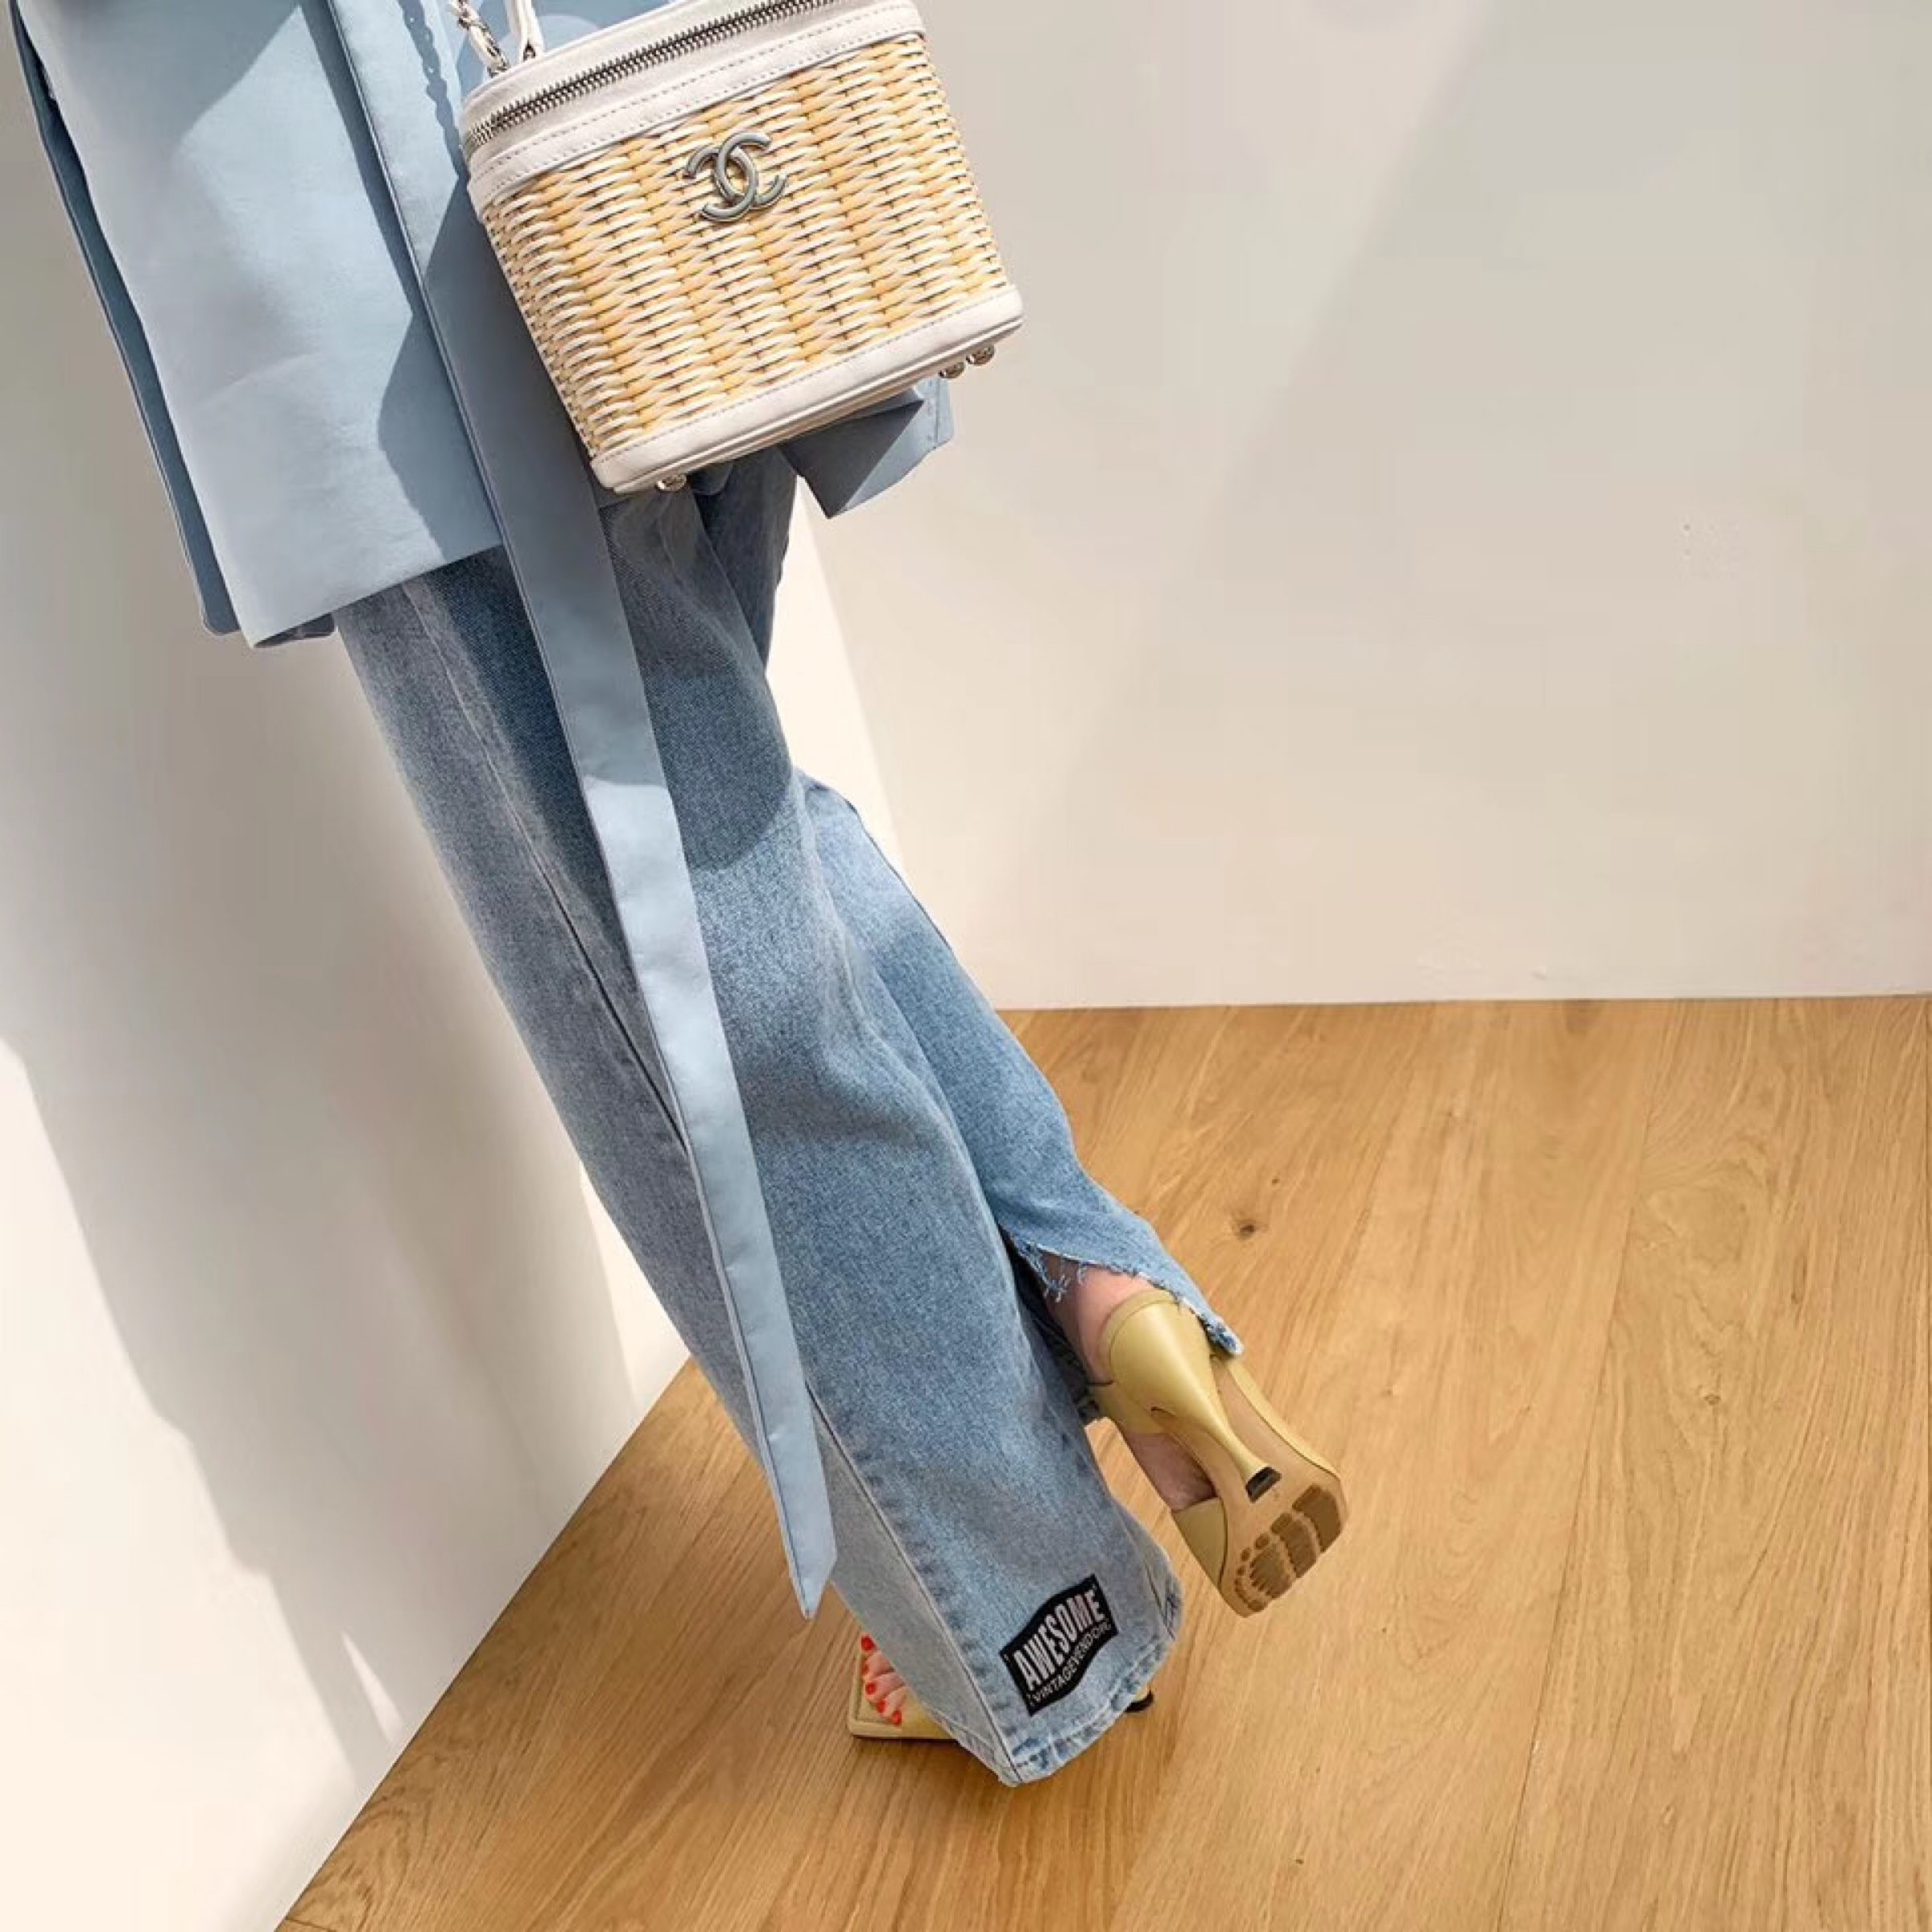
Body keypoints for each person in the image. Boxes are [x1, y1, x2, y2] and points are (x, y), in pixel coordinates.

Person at [14, 0, 1344, 1783]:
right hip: (648, 145)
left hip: (382, 243)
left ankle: (1040, 1610)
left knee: (670, 984)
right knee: (732, 842)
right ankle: (1093, 1278)